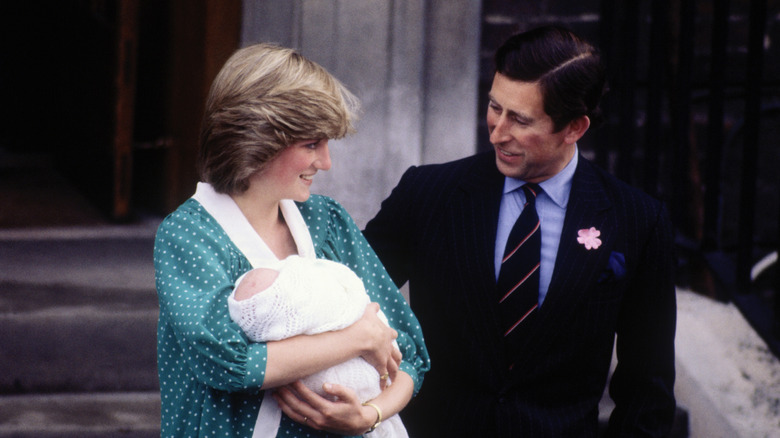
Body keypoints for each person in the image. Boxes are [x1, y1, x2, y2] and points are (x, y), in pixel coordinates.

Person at [363, 25, 676, 437]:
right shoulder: (427, 193)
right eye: (495, 107)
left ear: (575, 128)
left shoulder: (637, 221)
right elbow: (345, 299)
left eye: (521, 120)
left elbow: (647, 388)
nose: (497, 131)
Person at [153, 43, 429, 438]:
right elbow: (229, 364)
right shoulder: (190, 235)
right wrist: (358, 337)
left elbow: (410, 355)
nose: (326, 162)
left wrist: (368, 415)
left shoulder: (326, 220)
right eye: (311, 144)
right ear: (257, 138)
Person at [228, 255, 409, 438]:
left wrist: (371, 415)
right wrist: (362, 336)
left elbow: (410, 362)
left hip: (374, 410)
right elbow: (236, 365)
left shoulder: (331, 229)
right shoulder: (208, 245)